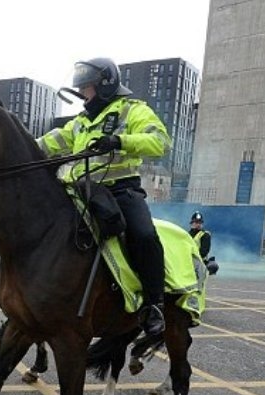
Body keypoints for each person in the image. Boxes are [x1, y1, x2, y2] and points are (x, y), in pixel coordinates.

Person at [37, 57, 172, 339]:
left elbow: (159, 141)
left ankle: (154, 304)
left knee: (144, 236)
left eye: (87, 87)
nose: (83, 94)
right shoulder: (80, 123)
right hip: (81, 192)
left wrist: (120, 141)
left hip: (121, 190)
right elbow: (48, 144)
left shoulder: (132, 110)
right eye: (82, 88)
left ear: (106, 85)